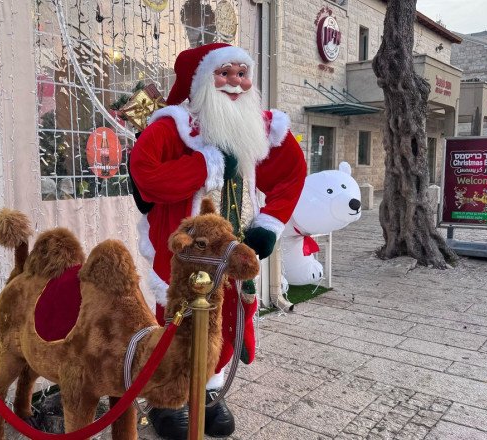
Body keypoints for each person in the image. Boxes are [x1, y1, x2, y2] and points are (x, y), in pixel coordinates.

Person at [129, 43, 307, 439]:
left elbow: (292, 172)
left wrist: (270, 222)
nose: (235, 83)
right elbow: (145, 174)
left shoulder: (261, 127)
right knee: (176, 318)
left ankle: (209, 389)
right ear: (201, 81)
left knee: (226, 319)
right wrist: (206, 165)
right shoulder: (174, 126)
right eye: (224, 73)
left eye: (242, 74)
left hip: (234, 247)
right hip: (186, 252)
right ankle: (166, 396)